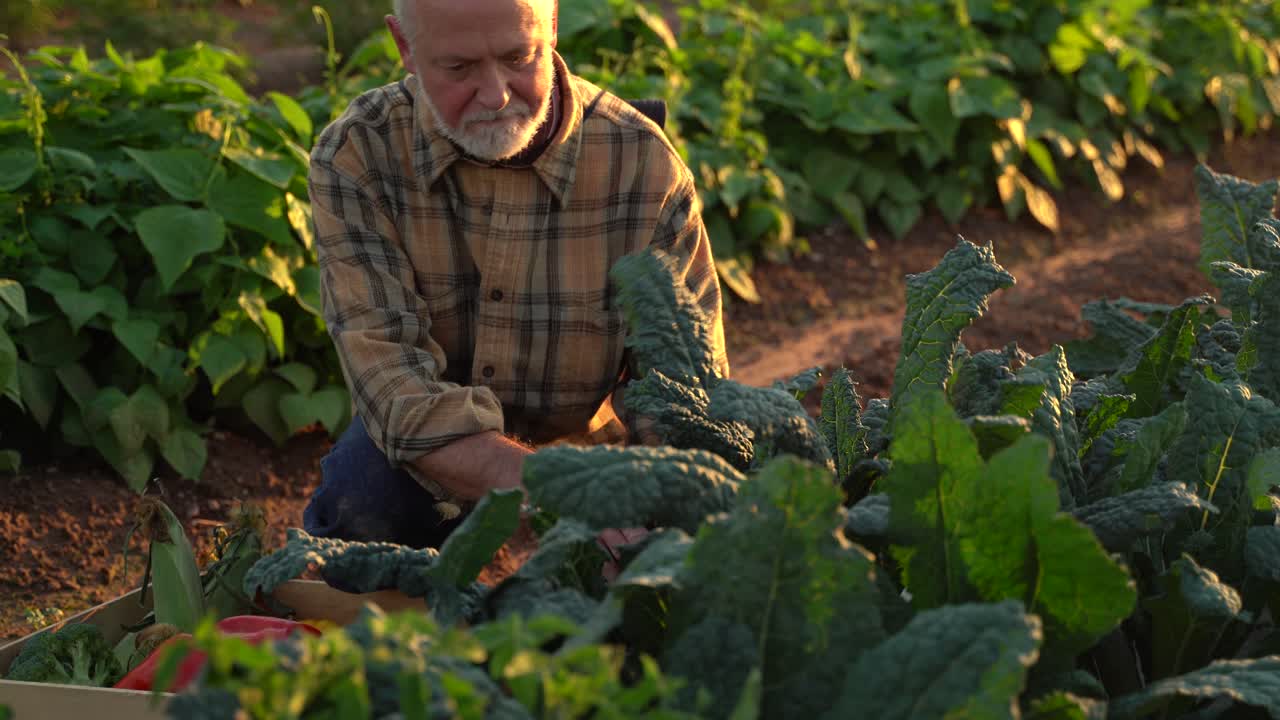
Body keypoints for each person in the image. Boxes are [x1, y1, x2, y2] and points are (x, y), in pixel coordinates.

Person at [302, 0, 729, 553]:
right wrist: (556, 491)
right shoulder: (358, 157)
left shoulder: (644, 166)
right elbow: (396, 392)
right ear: (405, 48)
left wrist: (654, 515)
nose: (496, 93)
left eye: (518, 56)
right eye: (459, 68)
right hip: (438, 461)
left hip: (599, 463)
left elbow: (686, 395)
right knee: (363, 497)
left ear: (552, 26)